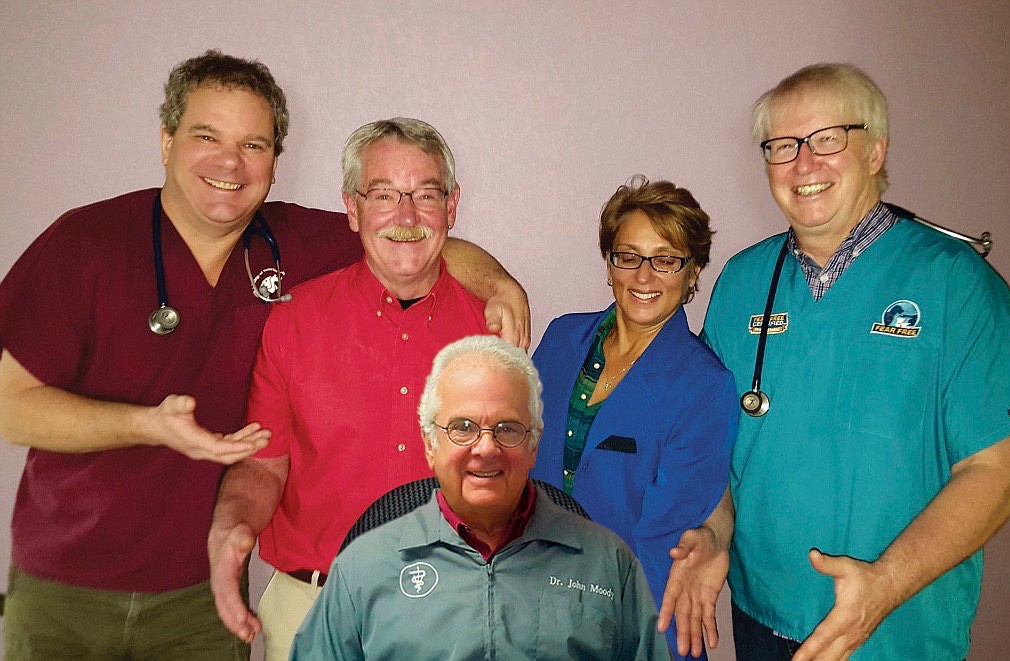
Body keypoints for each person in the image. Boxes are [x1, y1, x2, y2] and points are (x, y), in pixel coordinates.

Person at [0, 51, 527, 660]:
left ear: (275, 161)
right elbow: (10, 409)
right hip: (70, 581)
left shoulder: (293, 244)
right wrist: (146, 425)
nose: (230, 162)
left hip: (200, 593)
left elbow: (411, 237)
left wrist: (500, 284)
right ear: (166, 142)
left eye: (253, 143)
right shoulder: (83, 245)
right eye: (207, 136)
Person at [696, 63, 1010, 659]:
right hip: (763, 614)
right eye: (782, 146)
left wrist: (887, 584)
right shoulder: (742, 282)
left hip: (896, 627)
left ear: (876, 150)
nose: (803, 163)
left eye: (828, 140)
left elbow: (996, 473)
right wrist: (716, 533)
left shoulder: (958, 284)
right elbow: (714, 443)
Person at [208, 117, 506, 659]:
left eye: (426, 195)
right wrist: (232, 527)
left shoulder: (492, 332)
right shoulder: (292, 320)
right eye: (384, 194)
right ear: (352, 207)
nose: (407, 216)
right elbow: (263, 463)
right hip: (311, 609)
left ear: (453, 207)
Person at [291, 335, 671, 660]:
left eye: (507, 428)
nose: (486, 449)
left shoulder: (608, 564)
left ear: (533, 445)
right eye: (463, 428)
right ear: (430, 444)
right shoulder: (364, 567)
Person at [529, 176, 737, 659]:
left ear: (693, 272)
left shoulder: (704, 386)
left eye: (666, 260)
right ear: (609, 264)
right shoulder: (561, 340)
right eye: (629, 256)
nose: (645, 277)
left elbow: (662, 536)